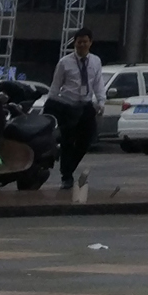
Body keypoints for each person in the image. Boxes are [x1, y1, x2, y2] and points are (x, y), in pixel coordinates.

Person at [47, 29, 104, 191]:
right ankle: (66, 176)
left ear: (90, 42)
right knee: (67, 142)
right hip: (68, 105)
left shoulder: (95, 61)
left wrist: (101, 101)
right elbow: (55, 86)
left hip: (86, 105)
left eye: (85, 41)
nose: (82, 45)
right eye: (79, 42)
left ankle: (69, 167)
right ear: (74, 43)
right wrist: (51, 105)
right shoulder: (65, 62)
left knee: (87, 140)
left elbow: (98, 83)